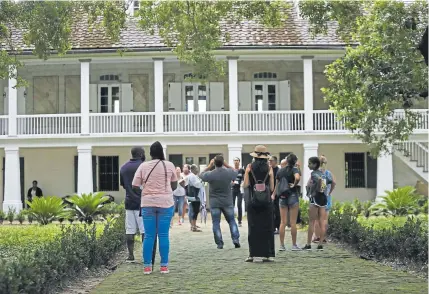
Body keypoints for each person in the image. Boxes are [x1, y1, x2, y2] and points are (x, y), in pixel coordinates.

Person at [132, 141, 178, 275]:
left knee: (149, 236)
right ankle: (164, 266)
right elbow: (174, 186)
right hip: (165, 203)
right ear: (162, 152)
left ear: (150, 153)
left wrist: (144, 193)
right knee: (163, 235)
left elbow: (135, 185)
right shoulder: (169, 165)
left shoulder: (143, 166)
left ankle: (147, 267)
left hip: (147, 203)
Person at [200, 155, 240, 249]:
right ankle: (235, 240)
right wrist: (227, 165)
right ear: (223, 162)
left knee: (216, 223)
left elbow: (201, 175)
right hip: (227, 201)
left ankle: (219, 243)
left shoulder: (211, 174)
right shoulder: (228, 172)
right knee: (231, 221)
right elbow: (236, 171)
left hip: (215, 202)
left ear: (214, 163)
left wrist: (209, 166)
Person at [243, 145, 275, 262]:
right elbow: (271, 187)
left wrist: (247, 173)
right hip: (266, 201)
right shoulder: (269, 168)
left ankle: (252, 254)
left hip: (253, 200)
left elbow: (245, 185)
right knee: (267, 227)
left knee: (253, 227)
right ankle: (267, 254)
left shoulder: (250, 167)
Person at [120, 146, 146, 263]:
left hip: (129, 201)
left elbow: (124, 185)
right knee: (144, 230)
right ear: (141, 154)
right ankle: (146, 255)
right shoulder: (144, 166)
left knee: (130, 230)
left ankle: (130, 256)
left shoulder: (124, 167)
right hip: (143, 202)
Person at [273, 153, 301, 251]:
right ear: (294, 161)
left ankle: (282, 246)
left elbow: (276, 185)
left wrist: (274, 194)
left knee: (282, 222)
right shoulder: (294, 169)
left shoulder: (280, 171)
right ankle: (294, 245)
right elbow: (297, 178)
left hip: (282, 197)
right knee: (293, 223)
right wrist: (294, 184)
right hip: (292, 196)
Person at [303, 156, 327, 251]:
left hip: (315, 198)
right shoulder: (323, 173)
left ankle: (308, 244)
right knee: (322, 221)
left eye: (310, 163)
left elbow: (313, 183)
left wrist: (311, 192)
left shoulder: (314, 174)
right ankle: (320, 243)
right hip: (323, 198)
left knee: (311, 222)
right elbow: (325, 185)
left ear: (315, 164)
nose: (308, 165)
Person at [312, 155, 336, 244]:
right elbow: (334, 182)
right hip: (327, 198)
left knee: (317, 219)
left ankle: (316, 237)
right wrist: (330, 192)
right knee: (325, 219)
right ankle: (323, 237)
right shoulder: (328, 173)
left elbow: (309, 184)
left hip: (317, 198)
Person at [187, 164, 206, 232]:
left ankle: (193, 225)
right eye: (196, 169)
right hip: (194, 196)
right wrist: (202, 181)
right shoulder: (192, 176)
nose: (197, 170)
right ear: (192, 169)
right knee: (195, 211)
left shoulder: (194, 176)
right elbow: (197, 185)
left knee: (194, 211)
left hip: (194, 196)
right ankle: (193, 226)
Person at [231, 157, 245, 227]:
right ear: (233, 162)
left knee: (239, 205)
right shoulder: (231, 170)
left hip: (240, 189)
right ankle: (232, 220)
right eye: (235, 160)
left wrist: (243, 183)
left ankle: (239, 221)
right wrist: (231, 182)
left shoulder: (242, 170)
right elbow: (229, 178)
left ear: (239, 162)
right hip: (233, 189)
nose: (236, 162)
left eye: (237, 161)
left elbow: (244, 178)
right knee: (232, 205)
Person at [269, 156, 280, 234]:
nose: (270, 162)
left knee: (277, 211)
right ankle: (272, 228)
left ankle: (278, 227)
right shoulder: (269, 170)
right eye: (269, 161)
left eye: (271, 161)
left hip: (277, 194)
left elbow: (278, 183)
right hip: (269, 193)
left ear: (275, 161)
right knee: (271, 211)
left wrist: (274, 193)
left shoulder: (278, 171)